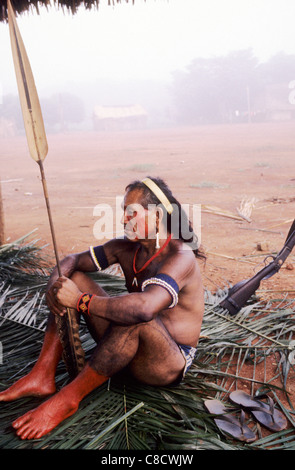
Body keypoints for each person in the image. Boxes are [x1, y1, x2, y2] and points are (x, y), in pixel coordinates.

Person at [0, 176, 205, 440]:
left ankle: (68, 399)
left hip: (165, 363)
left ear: (157, 217)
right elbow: (73, 260)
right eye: (123, 212)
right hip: (125, 350)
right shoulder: (125, 248)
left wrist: (80, 301)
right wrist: (55, 286)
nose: (123, 220)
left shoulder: (180, 257)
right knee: (71, 280)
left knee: (135, 315)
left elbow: (144, 310)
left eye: (131, 213)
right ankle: (42, 374)